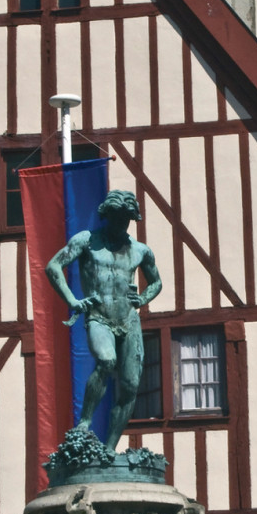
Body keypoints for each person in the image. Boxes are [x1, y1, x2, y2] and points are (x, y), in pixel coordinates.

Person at [45, 190, 162, 450]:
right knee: (107, 361)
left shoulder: (141, 251)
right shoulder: (87, 241)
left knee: (131, 386)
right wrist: (72, 301)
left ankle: (110, 449)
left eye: (127, 218)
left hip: (129, 320)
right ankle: (85, 422)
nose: (122, 223)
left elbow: (156, 282)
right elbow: (53, 266)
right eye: (118, 217)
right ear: (107, 216)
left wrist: (142, 299)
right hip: (99, 317)